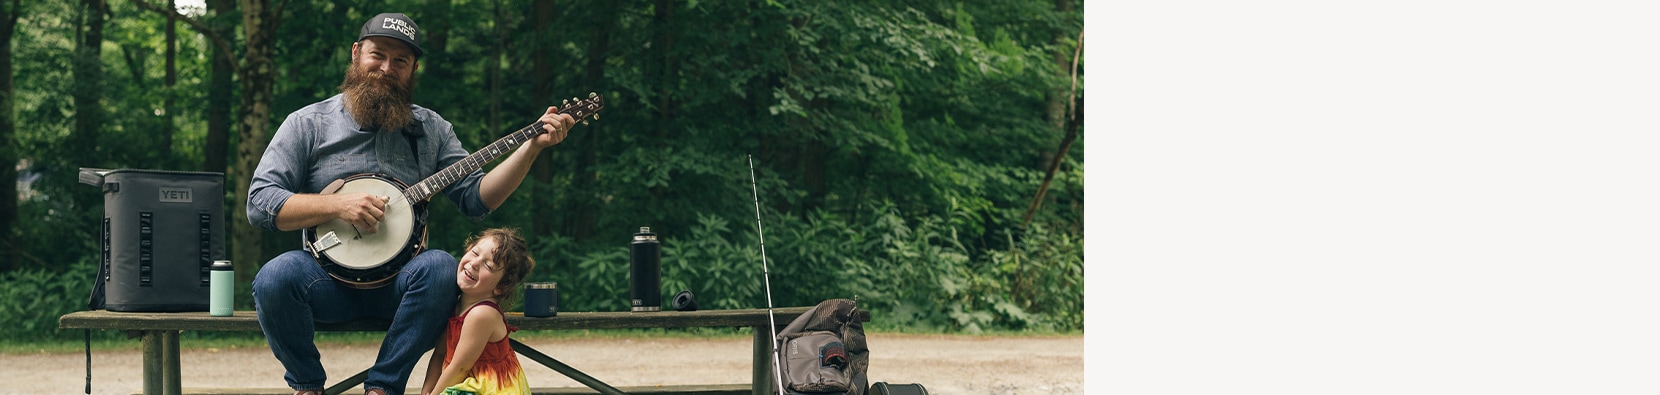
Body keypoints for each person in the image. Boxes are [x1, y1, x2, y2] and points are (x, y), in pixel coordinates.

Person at [246, 12, 576, 395]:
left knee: (439, 266)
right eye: (378, 55)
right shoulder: (308, 124)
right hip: (325, 283)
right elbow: (261, 203)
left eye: (400, 61)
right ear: (356, 54)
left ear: (412, 69)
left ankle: (383, 388)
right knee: (274, 277)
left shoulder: (432, 129)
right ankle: (307, 385)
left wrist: (530, 149)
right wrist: (338, 206)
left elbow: (476, 199)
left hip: (402, 287)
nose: (387, 68)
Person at [420, 228, 535, 395]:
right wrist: (427, 391)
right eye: (475, 253)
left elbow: (460, 368)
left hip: (487, 389)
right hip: (460, 383)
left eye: (488, 265)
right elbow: (440, 354)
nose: (474, 263)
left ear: (501, 286)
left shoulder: (482, 314)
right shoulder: (456, 304)